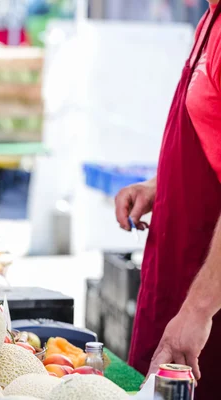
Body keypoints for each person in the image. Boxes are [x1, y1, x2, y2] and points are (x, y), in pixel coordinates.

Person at [114, 1, 221, 398]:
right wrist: (162, 185)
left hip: (208, 301)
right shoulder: (212, 18)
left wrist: (198, 311)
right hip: (177, 275)